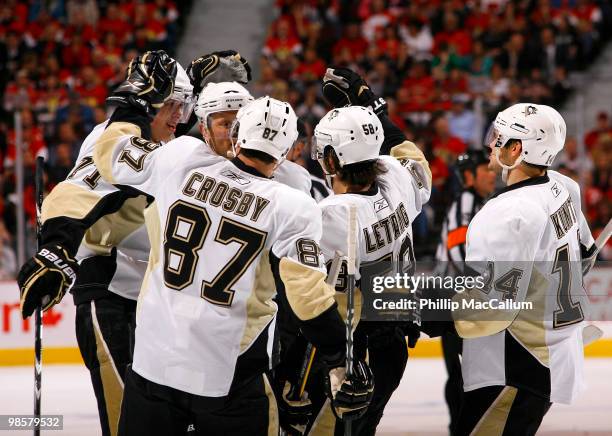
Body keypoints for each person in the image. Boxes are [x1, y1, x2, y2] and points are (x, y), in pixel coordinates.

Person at [89, 51, 373, 435]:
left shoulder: (180, 158)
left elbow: (110, 152)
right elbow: (306, 297)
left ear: (237, 134)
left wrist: (139, 100)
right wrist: (340, 356)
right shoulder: (293, 201)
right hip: (227, 371)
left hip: (154, 360)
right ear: (291, 149)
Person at [16, 49, 249, 436]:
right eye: (173, 105)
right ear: (146, 103)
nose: (181, 117)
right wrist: (56, 249)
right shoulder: (111, 139)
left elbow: (167, 157)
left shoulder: (153, 135)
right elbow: (74, 196)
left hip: (156, 300)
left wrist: (191, 80)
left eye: (186, 106)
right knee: (129, 421)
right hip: (110, 292)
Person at [451, 103, 596, 436]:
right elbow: (585, 253)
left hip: (514, 364)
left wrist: (425, 306)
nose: (491, 144)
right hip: (551, 356)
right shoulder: (563, 188)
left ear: (517, 149)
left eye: (498, 137)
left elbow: (491, 305)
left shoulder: (510, 212)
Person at [303, 68, 432, 436]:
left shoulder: (328, 218)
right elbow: (414, 161)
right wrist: (372, 108)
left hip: (352, 350)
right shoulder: (397, 177)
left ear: (330, 161)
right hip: (393, 342)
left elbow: (306, 297)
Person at [434, 149, 496, 434]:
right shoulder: (466, 202)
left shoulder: (482, 204)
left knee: (467, 376)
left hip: (464, 304)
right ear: (469, 176)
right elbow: (460, 256)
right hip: (455, 306)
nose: (493, 174)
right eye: (487, 169)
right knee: (463, 377)